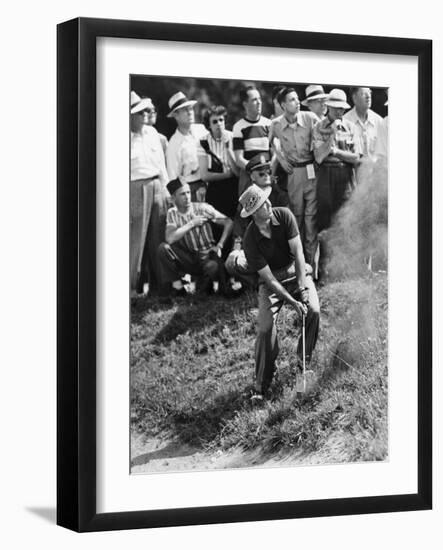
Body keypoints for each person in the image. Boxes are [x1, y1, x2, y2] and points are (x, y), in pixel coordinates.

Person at [227, 184, 320, 402]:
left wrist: (303, 287)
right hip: (271, 283)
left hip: (296, 271)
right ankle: (262, 385)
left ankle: (302, 367)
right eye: (262, 204)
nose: (269, 204)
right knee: (265, 329)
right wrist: (293, 302)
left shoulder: (284, 215)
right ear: (253, 214)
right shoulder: (250, 240)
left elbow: (298, 254)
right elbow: (268, 279)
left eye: (266, 200)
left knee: (313, 311)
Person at [158, 179, 235, 297]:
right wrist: (192, 223)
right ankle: (178, 288)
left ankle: (205, 287)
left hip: (206, 256)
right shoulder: (172, 213)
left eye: (188, 192)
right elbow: (170, 238)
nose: (187, 197)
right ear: (173, 198)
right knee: (163, 248)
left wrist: (220, 245)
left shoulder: (202, 208)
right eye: (182, 194)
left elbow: (228, 222)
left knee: (212, 267)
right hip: (188, 257)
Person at [269, 87, 319, 269]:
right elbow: (271, 144)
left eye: (297, 99)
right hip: (293, 174)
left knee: (311, 220)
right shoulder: (275, 124)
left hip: (312, 171)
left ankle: (313, 269)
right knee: (296, 220)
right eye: (292, 100)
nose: (297, 102)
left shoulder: (310, 118)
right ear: (282, 105)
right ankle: (299, 267)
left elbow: (324, 137)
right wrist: (281, 160)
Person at [130, 91, 169, 296]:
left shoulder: (152, 133)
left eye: (144, 111)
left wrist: (166, 188)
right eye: (138, 113)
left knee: (159, 236)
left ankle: (160, 287)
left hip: (157, 186)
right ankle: (132, 289)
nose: (143, 115)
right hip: (135, 188)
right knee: (136, 239)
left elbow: (161, 165)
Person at [312, 88, 361, 232]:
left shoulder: (351, 127)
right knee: (324, 222)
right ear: (328, 106)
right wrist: (332, 134)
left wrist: (335, 152)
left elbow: (356, 157)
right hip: (325, 178)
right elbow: (319, 157)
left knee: (345, 221)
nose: (340, 112)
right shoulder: (318, 127)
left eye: (342, 109)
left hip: (346, 178)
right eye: (336, 108)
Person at [197, 105, 239, 219]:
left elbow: (238, 173)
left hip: (234, 189)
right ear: (209, 125)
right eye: (214, 121)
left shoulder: (233, 137)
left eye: (221, 120)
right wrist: (227, 175)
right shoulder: (203, 142)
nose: (219, 124)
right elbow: (205, 176)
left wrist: (228, 149)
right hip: (215, 191)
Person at [166, 91, 207, 202]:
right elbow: (173, 178)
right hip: (191, 190)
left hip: (212, 183)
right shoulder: (173, 144)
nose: (190, 113)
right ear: (176, 115)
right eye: (185, 110)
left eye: (191, 109)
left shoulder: (202, 130)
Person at [232, 85, 272, 197]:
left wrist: (267, 171)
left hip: (269, 175)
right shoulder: (238, 127)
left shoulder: (269, 124)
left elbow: (275, 152)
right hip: (249, 178)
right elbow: (239, 159)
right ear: (245, 104)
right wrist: (256, 173)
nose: (259, 102)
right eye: (254, 100)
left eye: (259, 99)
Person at [343, 87, 384, 183]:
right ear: (354, 98)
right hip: (353, 177)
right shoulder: (345, 121)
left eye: (369, 93)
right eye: (363, 94)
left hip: (375, 177)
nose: (368, 96)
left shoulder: (379, 121)